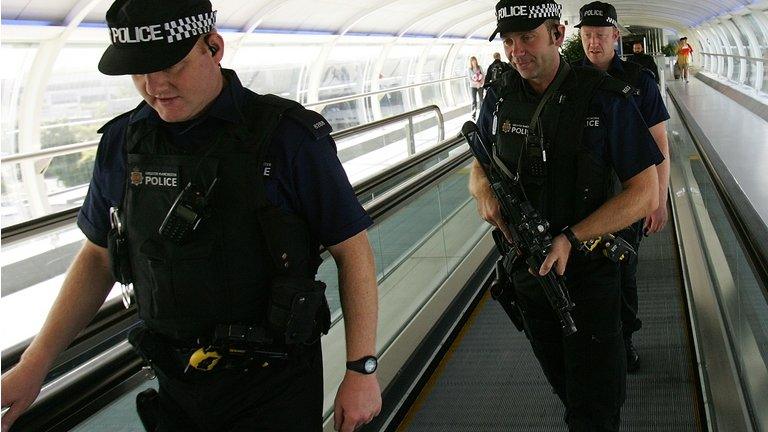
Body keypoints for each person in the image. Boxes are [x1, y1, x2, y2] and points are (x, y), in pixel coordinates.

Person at [0, 1, 382, 431]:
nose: (154, 84)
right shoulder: (124, 142)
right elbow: (97, 256)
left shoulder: (287, 138)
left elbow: (353, 251)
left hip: (274, 387)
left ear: (214, 47)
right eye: (139, 71)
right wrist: (35, 365)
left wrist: (361, 368)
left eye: (171, 65)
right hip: (175, 385)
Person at [471, 0, 662, 430]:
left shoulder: (605, 98)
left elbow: (645, 192)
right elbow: (479, 162)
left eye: (528, 37)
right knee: (565, 386)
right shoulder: (499, 97)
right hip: (529, 275)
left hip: (590, 273)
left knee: (594, 408)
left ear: (558, 35)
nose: (517, 50)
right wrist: (485, 196)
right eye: (509, 40)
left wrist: (571, 238)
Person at [575, 0, 671, 373]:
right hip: (581, 202)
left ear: (615, 36)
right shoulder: (569, 82)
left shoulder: (638, 82)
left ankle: (624, 339)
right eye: (587, 36)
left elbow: (659, 143)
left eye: (600, 35)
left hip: (627, 199)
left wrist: (658, 200)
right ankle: (591, 342)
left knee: (622, 271)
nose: (593, 43)